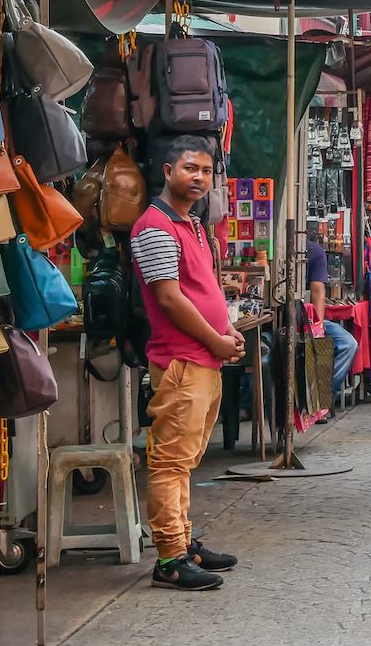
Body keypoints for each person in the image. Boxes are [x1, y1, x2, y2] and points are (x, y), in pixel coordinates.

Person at [131, 136, 244, 591]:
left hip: (202, 359)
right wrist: (215, 341)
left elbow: (201, 291)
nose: (198, 177)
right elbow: (169, 298)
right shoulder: (155, 226)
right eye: (189, 168)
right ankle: (169, 559)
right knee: (170, 463)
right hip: (181, 360)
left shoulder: (193, 225)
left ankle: (183, 540)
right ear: (167, 171)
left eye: (205, 170)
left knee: (184, 461)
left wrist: (226, 332)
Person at [305, 236, 360, 398]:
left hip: (307, 318)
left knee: (348, 344)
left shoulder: (314, 251)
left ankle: (321, 396)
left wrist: (318, 327)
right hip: (280, 321)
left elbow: (318, 292)